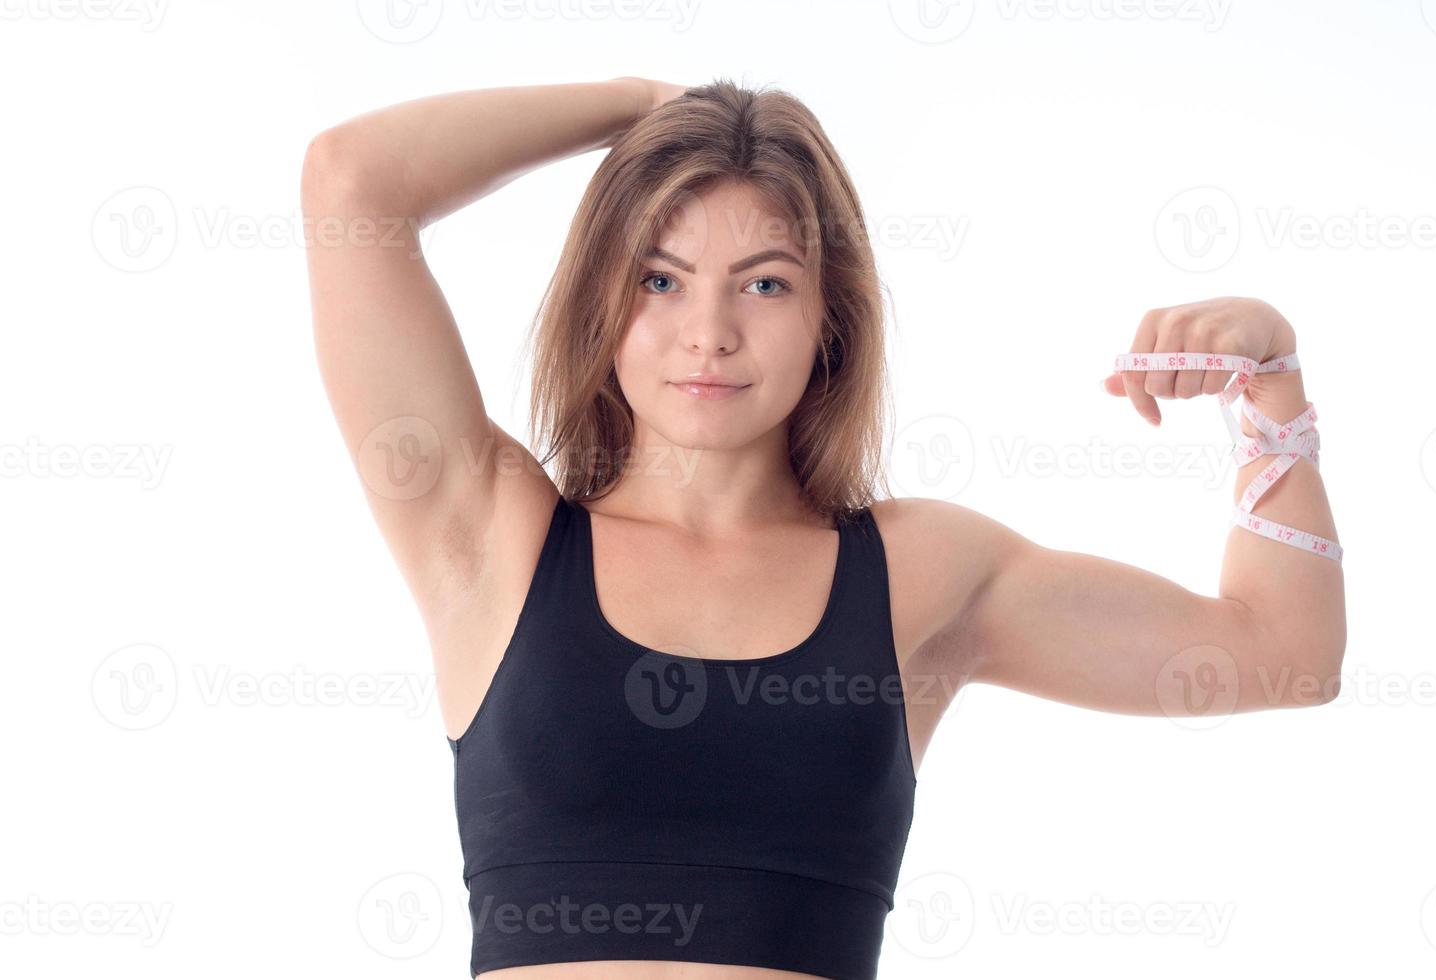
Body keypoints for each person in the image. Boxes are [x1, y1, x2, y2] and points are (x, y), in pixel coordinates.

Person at [300, 76, 1346, 980]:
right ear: (601, 304)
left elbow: (1283, 653)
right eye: (659, 278)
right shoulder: (495, 536)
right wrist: (645, 108)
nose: (709, 330)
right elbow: (352, 179)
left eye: (764, 282)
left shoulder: (924, 572)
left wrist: (1270, 391)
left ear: (828, 319)